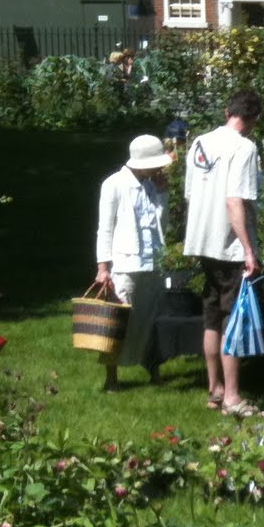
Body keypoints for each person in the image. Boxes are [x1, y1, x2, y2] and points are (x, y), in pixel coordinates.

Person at [184, 89, 264, 417]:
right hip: (228, 244)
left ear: (226, 110)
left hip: (201, 240)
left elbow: (190, 193)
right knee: (234, 318)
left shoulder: (200, 142)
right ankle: (232, 397)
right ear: (253, 120)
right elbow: (235, 200)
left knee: (212, 315)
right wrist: (248, 249)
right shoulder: (244, 147)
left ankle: (214, 389)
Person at [94, 134, 171, 391]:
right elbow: (104, 228)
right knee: (117, 319)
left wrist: (162, 196)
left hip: (153, 261)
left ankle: (152, 365)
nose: (159, 168)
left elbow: (161, 225)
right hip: (125, 263)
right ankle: (111, 377)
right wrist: (103, 268)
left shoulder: (151, 186)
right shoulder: (113, 184)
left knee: (151, 317)